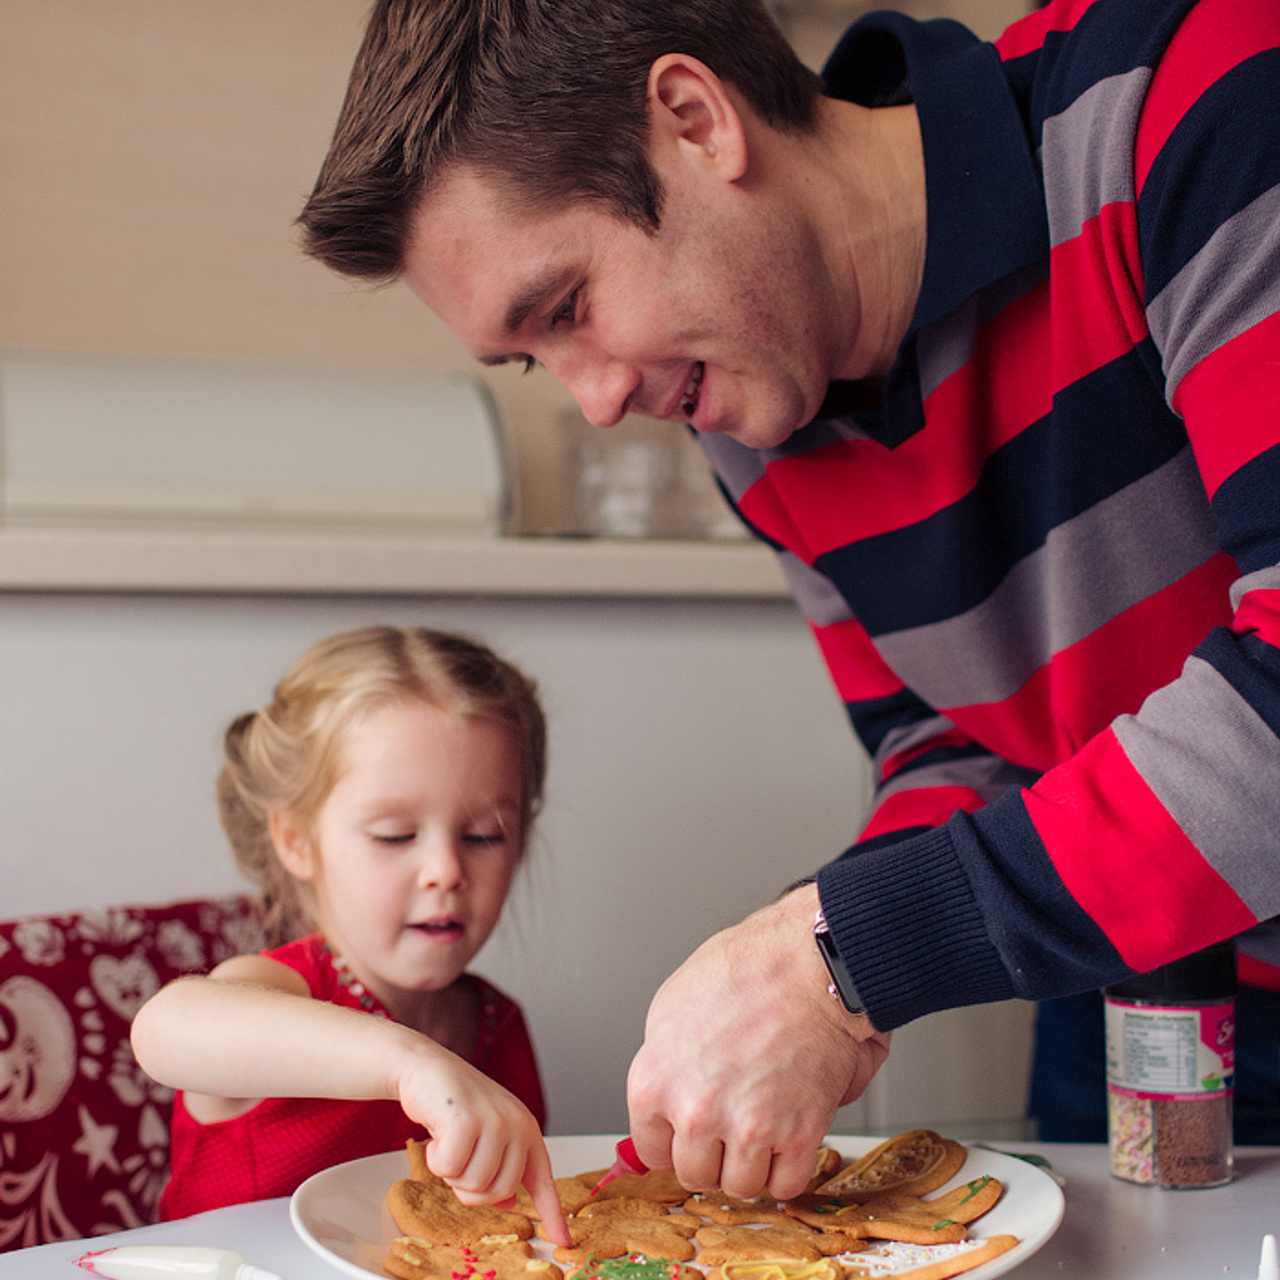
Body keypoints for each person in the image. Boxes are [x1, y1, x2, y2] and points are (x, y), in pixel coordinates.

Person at [295, 0, 1280, 1197]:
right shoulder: (751, 407)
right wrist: (785, 955)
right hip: (1129, 991)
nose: (594, 399)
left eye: (565, 308)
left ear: (694, 121)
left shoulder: (1189, 99)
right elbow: (947, 739)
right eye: (529, 359)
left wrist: (838, 955)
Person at [131, 625, 569, 1241]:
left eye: (485, 835)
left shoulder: (499, 1026)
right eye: (394, 835)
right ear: (295, 841)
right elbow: (164, 1028)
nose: (446, 871)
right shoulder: (281, 990)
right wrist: (409, 1063)